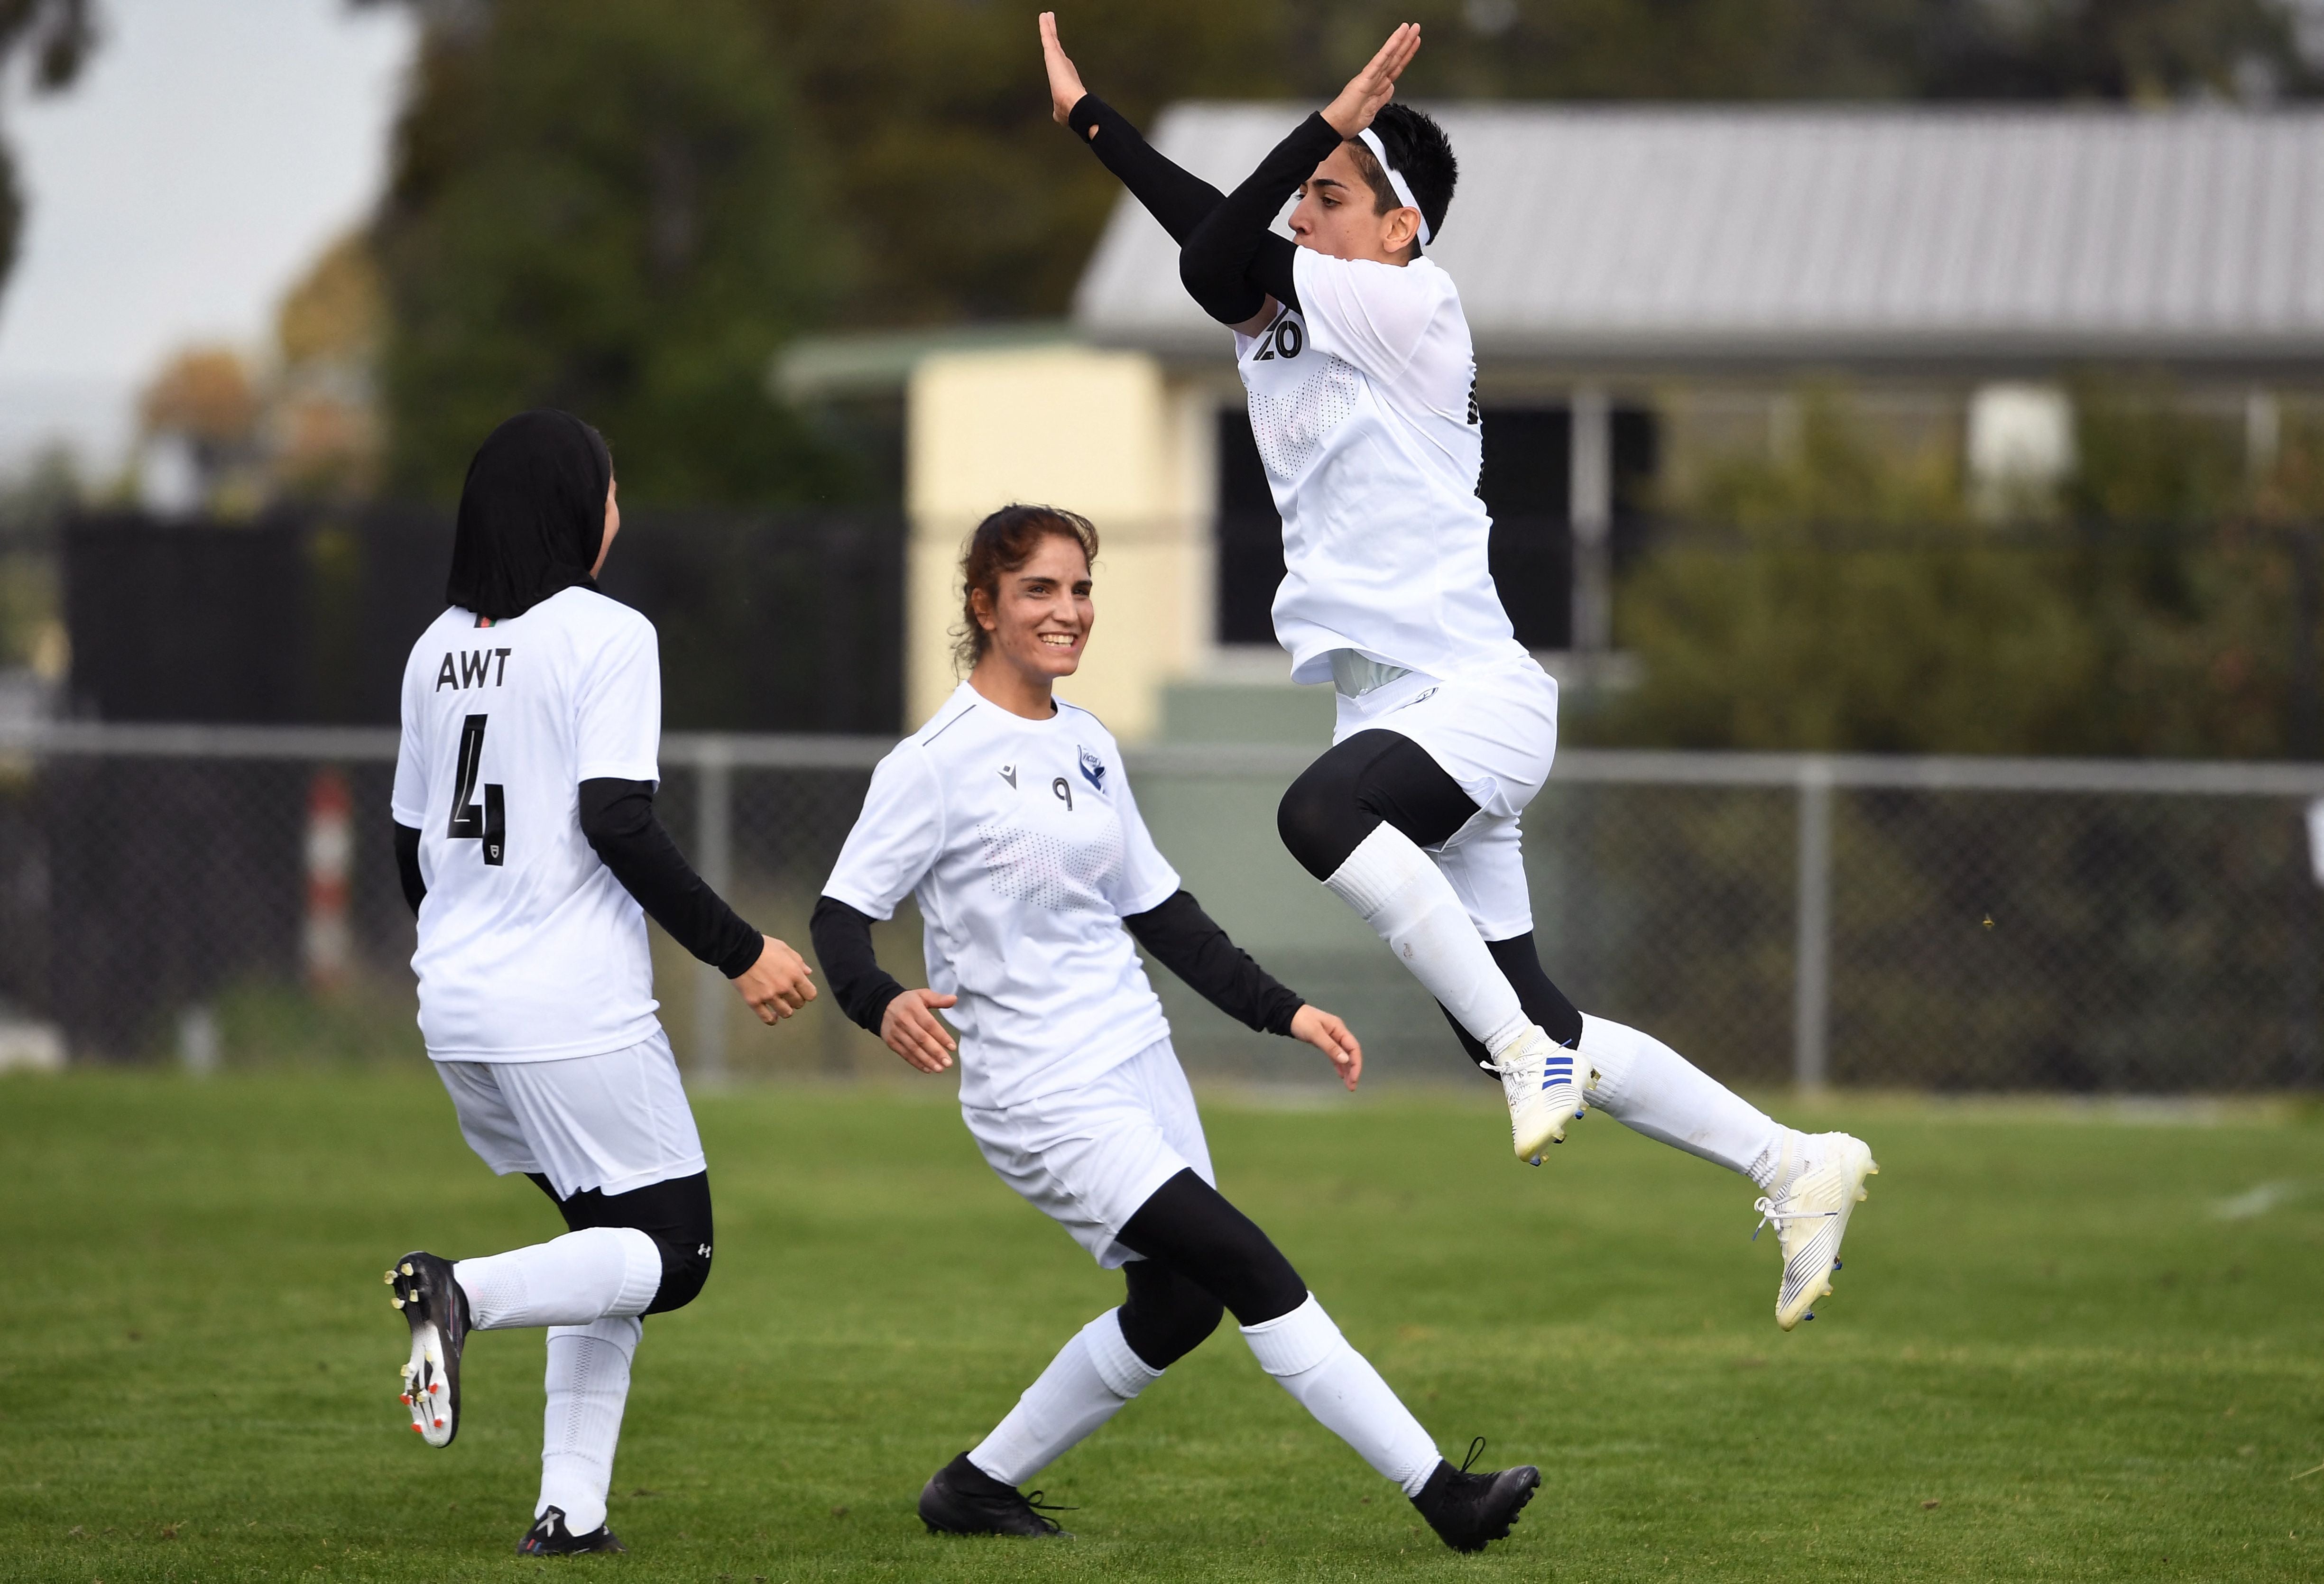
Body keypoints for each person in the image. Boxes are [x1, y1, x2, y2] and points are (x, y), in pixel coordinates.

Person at [1039, 14, 1875, 1330]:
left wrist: (1326, 121)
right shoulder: (1294, 315)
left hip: (1471, 696)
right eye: (1305, 197)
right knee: (1538, 1015)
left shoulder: (1407, 303)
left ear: (1402, 226)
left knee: (1317, 817)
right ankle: (1792, 1163)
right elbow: (1209, 240)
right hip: (1391, 699)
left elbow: (1218, 239)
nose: (1304, 217)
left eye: (1331, 197)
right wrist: (1093, 125)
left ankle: (1521, 1051)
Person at [809, 505, 1539, 1552]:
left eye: (1081, 588)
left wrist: (1281, 1007)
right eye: (1038, 590)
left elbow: (1159, 913)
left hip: (1135, 1059)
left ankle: (972, 1486)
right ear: (983, 604)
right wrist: (877, 1000)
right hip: (1040, 1091)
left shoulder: (1090, 739)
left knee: (1178, 1304)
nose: (1068, 612)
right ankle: (1443, 1495)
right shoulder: (933, 760)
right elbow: (840, 916)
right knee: (1250, 1267)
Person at [382, 409, 818, 1555]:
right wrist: (743, 949)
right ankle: (458, 1291)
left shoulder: (435, 647)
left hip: (457, 1005)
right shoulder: (607, 632)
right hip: (566, 1006)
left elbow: (405, 847)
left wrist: (472, 952)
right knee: (677, 1255)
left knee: (604, 1248)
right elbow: (615, 817)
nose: (619, 508)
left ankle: (570, 1515)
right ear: (573, 507)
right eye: (610, 488)